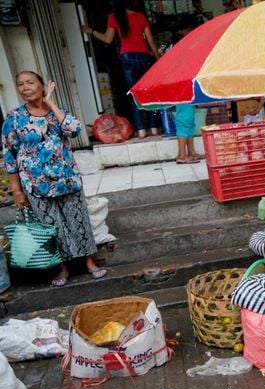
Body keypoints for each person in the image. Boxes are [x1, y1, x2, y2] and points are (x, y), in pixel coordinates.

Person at [1, 72, 107, 287]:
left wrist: (50, 102)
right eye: (20, 84)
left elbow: (74, 130)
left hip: (67, 179)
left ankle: (88, 262)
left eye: (30, 83)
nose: (24, 88)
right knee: (51, 226)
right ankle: (62, 267)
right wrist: (17, 190)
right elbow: (9, 155)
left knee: (78, 221)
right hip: (36, 184)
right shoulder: (14, 118)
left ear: (43, 87)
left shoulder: (57, 113)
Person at [81, 1, 160, 138]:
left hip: (127, 57)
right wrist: (159, 58)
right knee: (148, 93)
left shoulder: (113, 17)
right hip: (144, 56)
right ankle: (153, 128)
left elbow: (107, 39)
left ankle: (141, 130)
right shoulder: (140, 17)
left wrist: (91, 31)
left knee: (134, 94)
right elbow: (151, 40)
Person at [170, 16, 203, 164]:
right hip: (182, 86)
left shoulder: (180, 45)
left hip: (185, 86)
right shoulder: (181, 46)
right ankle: (182, 155)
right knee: (185, 119)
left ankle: (191, 151)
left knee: (189, 119)